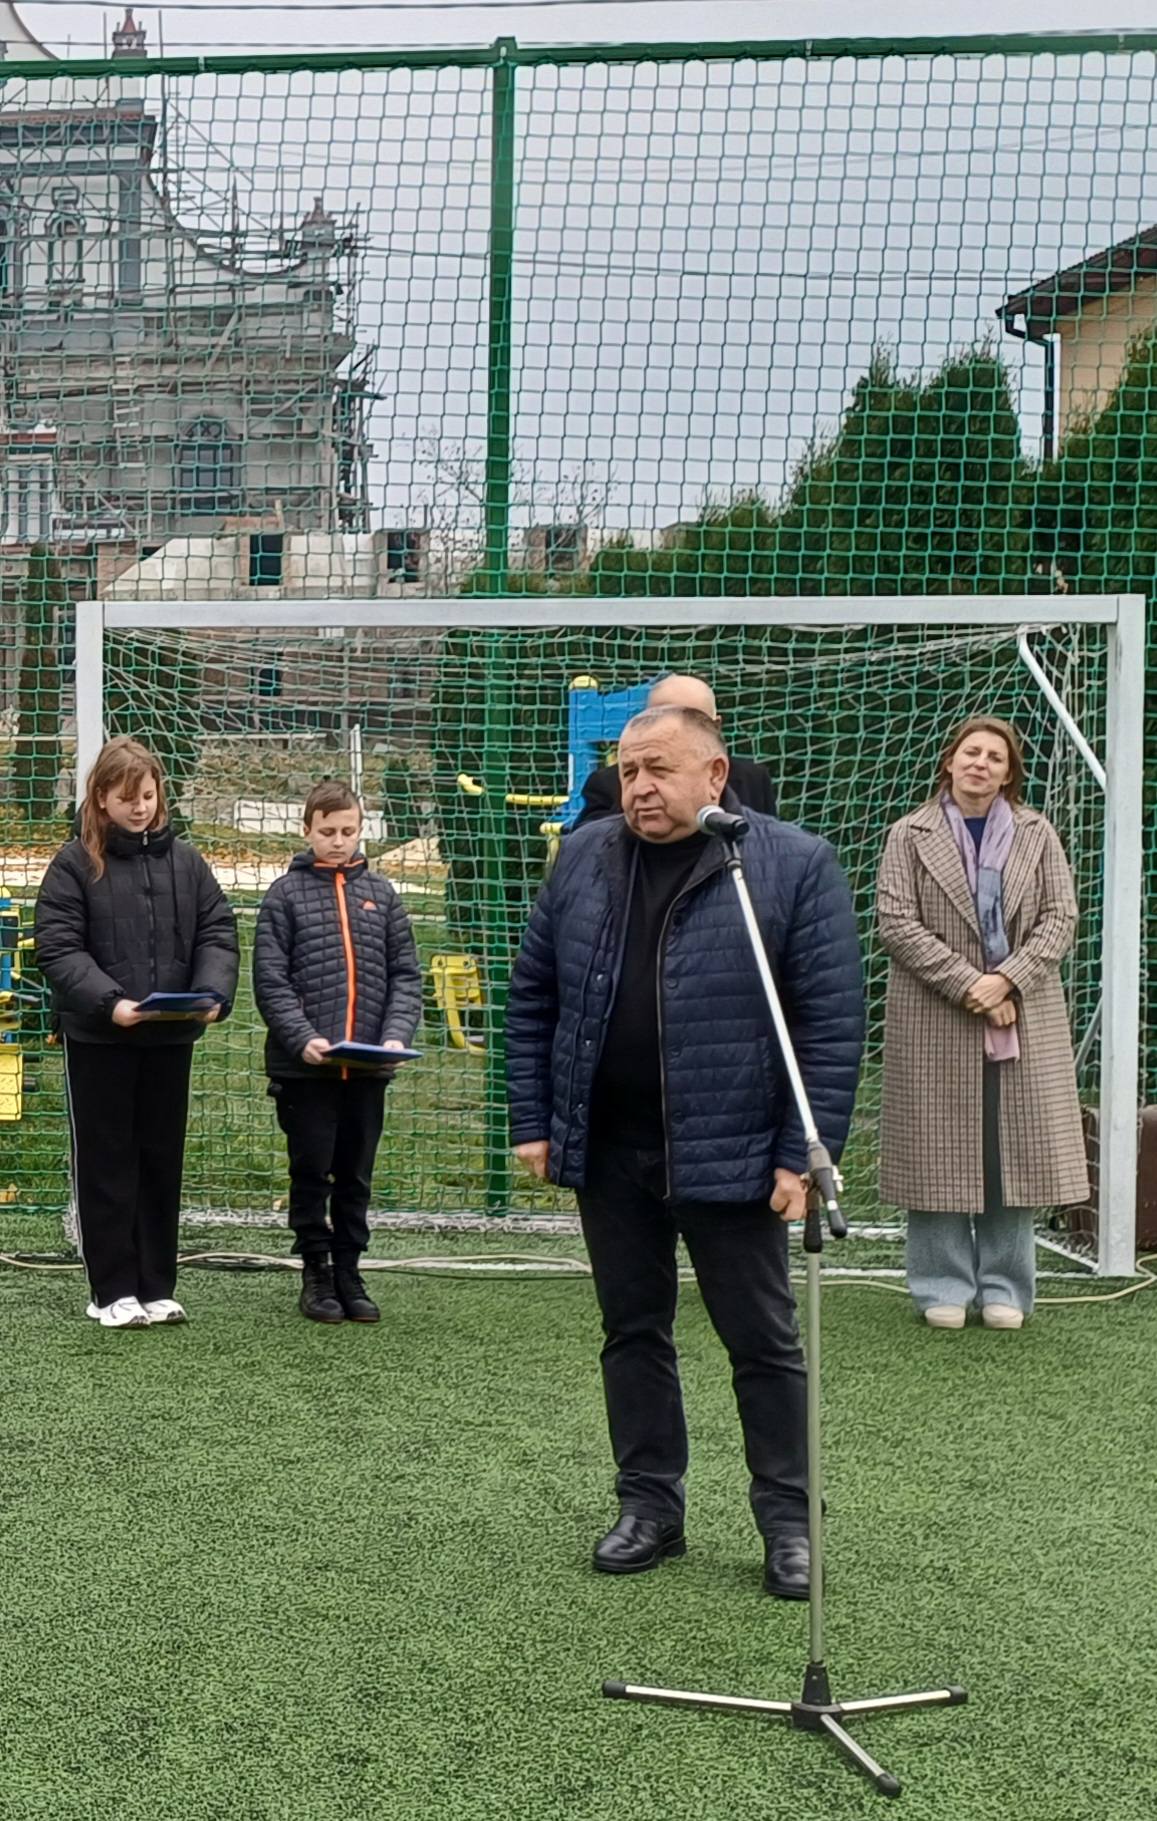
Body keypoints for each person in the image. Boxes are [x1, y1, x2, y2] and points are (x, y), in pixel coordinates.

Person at [506, 705, 863, 1597]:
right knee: (631, 1330)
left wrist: (799, 1152)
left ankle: (791, 1523)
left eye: (658, 769)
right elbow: (534, 992)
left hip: (732, 1151)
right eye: (628, 770)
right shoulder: (584, 856)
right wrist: (533, 1118)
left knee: (762, 1342)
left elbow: (826, 1025)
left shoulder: (787, 864)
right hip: (609, 1147)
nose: (639, 787)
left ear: (714, 775)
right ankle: (649, 1505)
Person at [876, 716, 1089, 1332]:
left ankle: (1006, 1287)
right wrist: (972, 984)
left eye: (996, 758)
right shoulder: (908, 834)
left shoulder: (1037, 833)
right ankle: (940, 1285)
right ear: (949, 761)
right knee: (936, 1147)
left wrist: (1007, 979)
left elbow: (1060, 917)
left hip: (1023, 1011)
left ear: (1009, 773)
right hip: (935, 1012)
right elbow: (896, 922)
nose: (981, 764)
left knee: (1010, 1151)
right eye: (972, 752)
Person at [34, 736, 239, 1329]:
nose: (141, 807)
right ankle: (112, 1291)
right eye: (127, 798)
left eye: (148, 796)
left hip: (169, 1038)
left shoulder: (188, 863)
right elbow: (58, 947)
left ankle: (156, 1287)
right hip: (100, 1040)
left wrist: (212, 994)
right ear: (101, 798)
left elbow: (218, 932)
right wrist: (111, 1004)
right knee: (107, 1162)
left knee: (160, 1161)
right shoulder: (74, 864)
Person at [253, 780, 422, 1325]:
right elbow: (271, 980)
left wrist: (394, 1037)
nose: (339, 841)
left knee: (355, 1173)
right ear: (307, 830)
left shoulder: (383, 896)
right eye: (327, 831)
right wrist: (302, 1038)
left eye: (348, 831)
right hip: (306, 1071)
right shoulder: (284, 896)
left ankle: (350, 1271)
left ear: (360, 830)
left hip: (367, 1069)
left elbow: (405, 976)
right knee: (311, 1172)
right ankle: (316, 1272)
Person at [572, 673, 777, 828]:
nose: (677, 731)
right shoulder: (607, 784)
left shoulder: (752, 779)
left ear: (716, 726)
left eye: (693, 723)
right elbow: (592, 853)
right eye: (663, 720)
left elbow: (766, 845)